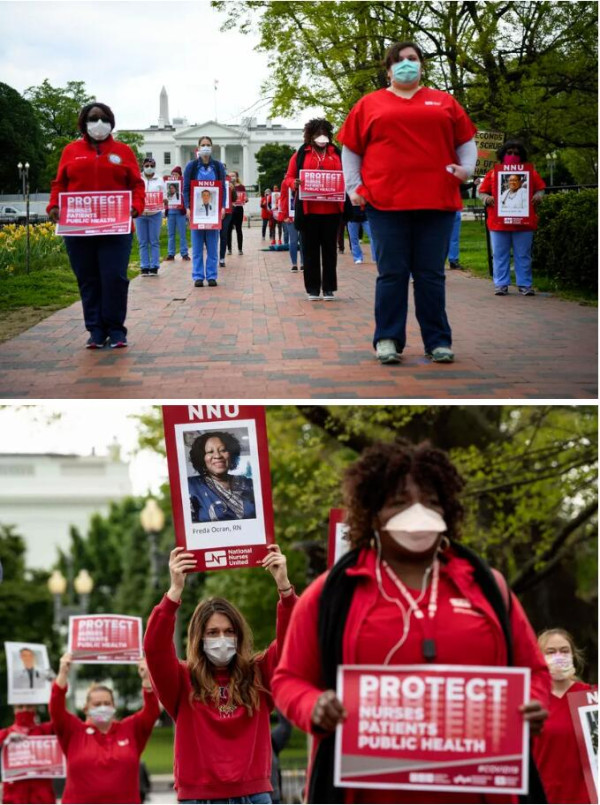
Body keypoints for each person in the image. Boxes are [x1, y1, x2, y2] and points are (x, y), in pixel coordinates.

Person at [271, 440, 551, 804]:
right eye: (400, 503)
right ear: (373, 515)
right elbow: (288, 679)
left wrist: (526, 706)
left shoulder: (488, 586)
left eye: (431, 502)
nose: (418, 514)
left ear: (448, 511)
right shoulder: (331, 593)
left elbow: (536, 673)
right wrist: (315, 706)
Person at [338, 41, 478, 364]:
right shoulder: (369, 104)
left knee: (430, 274)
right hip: (385, 204)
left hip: (436, 201)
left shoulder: (444, 102)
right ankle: (387, 339)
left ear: (422, 65)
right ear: (388, 70)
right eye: (399, 60)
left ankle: (438, 341)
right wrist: (353, 186)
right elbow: (352, 149)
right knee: (392, 273)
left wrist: (467, 170)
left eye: (412, 59)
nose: (406, 64)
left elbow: (466, 141)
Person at [143, 543, 297, 803]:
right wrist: (174, 592)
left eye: (229, 631)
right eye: (213, 633)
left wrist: (284, 587)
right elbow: (155, 649)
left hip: (254, 795)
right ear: (199, 638)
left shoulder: (259, 674)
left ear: (239, 635)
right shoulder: (181, 681)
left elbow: (294, 639)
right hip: (199, 798)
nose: (222, 638)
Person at [47, 102, 145, 349]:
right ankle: (96, 330)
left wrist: (136, 205)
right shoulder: (71, 151)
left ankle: (116, 328)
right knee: (88, 279)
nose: (98, 123)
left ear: (111, 122)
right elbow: (59, 183)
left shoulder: (123, 151)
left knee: (114, 277)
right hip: (79, 229)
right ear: (84, 123)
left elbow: (136, 184)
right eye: (93, 118)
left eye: (103, 118)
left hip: (116, 229)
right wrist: (54, 206)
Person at [49, 656, 160, 804]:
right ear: (86, 709)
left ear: (114, 707)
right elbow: (56, 708)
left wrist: (147, 678)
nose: (103, 707)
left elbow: (151, 712)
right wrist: (63, 673)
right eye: (97, 704)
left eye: (107, 703)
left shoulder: (130, 728)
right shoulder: (74, 731)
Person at [285, 118, 345, 301]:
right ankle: (312, 289)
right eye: (318, 134)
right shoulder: (301, 154)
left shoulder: (336, 153)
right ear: (310, 136)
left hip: (331, 211)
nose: (322, 137)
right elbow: (288, 177)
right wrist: (293, 183)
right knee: (310, 252)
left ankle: (328, 288)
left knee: (329, 252)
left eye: (324, 134)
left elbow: (347, 174)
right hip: (309, 211)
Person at [533, 629, 594, 804]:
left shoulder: (591, 698)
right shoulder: (531, 699)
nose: (559, 656)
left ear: (573, 655)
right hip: (542, 796)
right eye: (550, 652)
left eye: (564, 651)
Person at [478, 139, 545, 296]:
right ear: (502, 155)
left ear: (521, 156)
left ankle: (525, 285)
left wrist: (538, 196)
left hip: (524, 223)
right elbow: (482, 192)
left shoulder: (531, 173)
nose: (513, 156)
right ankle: (501, 284)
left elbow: (541, 189)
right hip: (498, 223)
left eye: (516, 153)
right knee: (500, 255)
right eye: (509, 153)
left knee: (523, 255)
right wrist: (486, 199)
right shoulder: (493, 173)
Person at [183, 136, 226, 288]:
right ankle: (198, 276)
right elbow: (186, 189)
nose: (206, 147)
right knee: (197, 247)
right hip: (196, 212)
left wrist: (222, 206)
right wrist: (187, 206)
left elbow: (222, 189)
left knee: (213, 247)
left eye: (208, 145)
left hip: (213, 214)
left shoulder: (218, 166)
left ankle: (212, 276)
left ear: (212, 147)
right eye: (203, 145)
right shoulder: (191, 166)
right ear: (198, 147)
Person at [188, 431, 255, 522]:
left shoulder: (249, 484)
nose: (217, 456)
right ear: (201, 458)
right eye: (210, 452)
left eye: (223, 450)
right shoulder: (191, 486)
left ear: (231, 454)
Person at [0, 705, 56, 804]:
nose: (25, 710)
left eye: (29, 706)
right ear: (14, 710)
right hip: (15, 798)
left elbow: (60, 719)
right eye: (20, 707)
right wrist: (3, 742)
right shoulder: (5, 734)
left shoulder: (45, 730)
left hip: (42, 798)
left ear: (35, 708)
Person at [137, 158, 165, 277]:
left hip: (155, 214)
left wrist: (164, 205)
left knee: (154, 241)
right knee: (142, 242)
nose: (149, 167)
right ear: (143, 165)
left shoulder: (159, 180)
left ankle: (154, 266)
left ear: (154, 166)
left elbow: (164, 195)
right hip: (141, 214)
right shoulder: (138, 178)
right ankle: (144, 266)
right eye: (147, 165)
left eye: (151, 165)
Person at [165, 166, 190, 262]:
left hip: (180, 212)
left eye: (175, 174)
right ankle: (171, 253)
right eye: (172, 174)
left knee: (182, 234)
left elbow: (186, 194)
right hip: (171, 212)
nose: (173, 176)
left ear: (180, 176)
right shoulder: (168, 185)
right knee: (171, 234)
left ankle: (184, 253)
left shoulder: (183, 184)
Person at [280, 177, 305, 272]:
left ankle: (303, 263)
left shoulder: (304, 178)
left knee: (303, 240)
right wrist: (284, 215)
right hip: (290, 216)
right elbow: (283, 198)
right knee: (293, 240)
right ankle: (294, 264)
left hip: (303, 215)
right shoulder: (285, 182)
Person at [219, 170, 237, 268]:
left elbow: (234, 199)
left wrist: (233, 190)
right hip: (215, 212)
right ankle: (213, 257)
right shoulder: (215, 180)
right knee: (213, 236)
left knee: (224, 235)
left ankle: (222, 258)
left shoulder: (228, 182)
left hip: (227, 212)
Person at [228, 170, 247, 256]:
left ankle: (240, 249)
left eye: (234, 176)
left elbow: (245, 197)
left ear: (237, 177)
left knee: (239, 229)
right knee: (228, 230)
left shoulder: (241, 187)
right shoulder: (226, 186)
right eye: (230, 176)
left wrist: (245, 199)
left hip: (239, 209)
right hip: (230, 209)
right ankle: (229, 249)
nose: (232, 177)